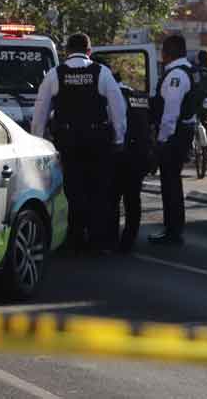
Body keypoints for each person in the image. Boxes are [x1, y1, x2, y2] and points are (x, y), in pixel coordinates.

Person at [32, 33, 127, 253]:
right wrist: (119, 137)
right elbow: (117, 108)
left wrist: (38, 140)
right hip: (97, 140)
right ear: (89, 51)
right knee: (97, 189)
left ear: (66, 51)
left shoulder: (55, 74)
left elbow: (41, 110)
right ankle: (97, 240)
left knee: (71, 190)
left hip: (67, 141)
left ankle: (73, 238)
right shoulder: (102, 73)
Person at [148, 34, 198, 246]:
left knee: (170, 184)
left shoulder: (175, 75)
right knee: (172, 182)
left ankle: (173, 230)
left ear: (166, 53)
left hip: (174, 134)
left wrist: (161, 139)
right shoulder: (191, 71)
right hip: (185, 130)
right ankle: (173, 228)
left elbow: (170, 112)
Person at [111, 73, 154, 253]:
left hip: (123, 152)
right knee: (132, 198)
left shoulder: (113, 95)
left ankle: (112, 238)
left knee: (112, 197)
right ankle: (130, 238)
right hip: (141, 153)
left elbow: (117, 125)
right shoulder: (138, 95)